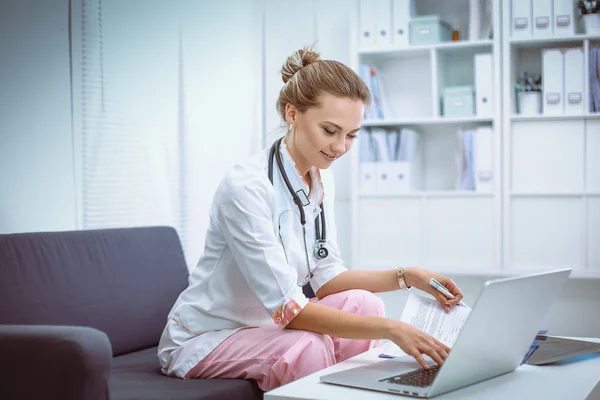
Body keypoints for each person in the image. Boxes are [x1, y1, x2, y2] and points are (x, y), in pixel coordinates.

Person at [157, 46, 465, 392]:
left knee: (365, 304)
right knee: (308, 345)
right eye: (330, 130)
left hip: (267, 326)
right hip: (209, 336)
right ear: (292, 113)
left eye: (350, 135)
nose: (340, 147)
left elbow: (327, 276)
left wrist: (408, 276)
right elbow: (291, 310)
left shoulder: (320, 177)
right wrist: (392, 329)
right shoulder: (245, 187)